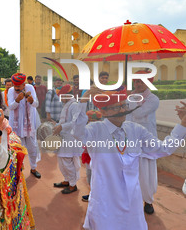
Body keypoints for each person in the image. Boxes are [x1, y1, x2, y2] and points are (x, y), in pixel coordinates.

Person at [72, 86, 186, 230]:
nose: (122, 110)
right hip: (106, 200)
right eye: (116, 107)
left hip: (132, 202)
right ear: (103, 111)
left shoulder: (135, 130)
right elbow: (77, 133)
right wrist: (82, 102)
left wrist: (183, 124)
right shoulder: (95, 130)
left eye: (124, 105)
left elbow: (164, 149)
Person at [126, 70, 160, 214]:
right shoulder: (130, 97)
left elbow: (138, 113)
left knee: (146, 172)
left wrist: (130, 99)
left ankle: (148, 201)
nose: (138, 84)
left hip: (146, 142)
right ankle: (131, 199)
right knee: (129, 170)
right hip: (131, 140)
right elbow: (125, 115)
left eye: (141, 81)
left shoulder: (153, 99)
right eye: (136, 81)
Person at [8, 73, 41, 178]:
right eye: (15, 86)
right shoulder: (10, 91)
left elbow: (36, 104)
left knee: (33, 148)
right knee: (18, 149)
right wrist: (18, 99)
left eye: (19, 86)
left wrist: (31, 100)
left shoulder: (30, 88)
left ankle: (33, 168)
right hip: (17, 126)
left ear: (24, 84)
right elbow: (11, 106)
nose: (16, 88)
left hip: (29, 125)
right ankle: (18, 170)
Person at [53, 84, 83, 194]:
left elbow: (75, 122)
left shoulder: (74, 105)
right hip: (63, 136)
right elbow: (63, 121)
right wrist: (56, 125)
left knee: (67, 161)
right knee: (62, 161)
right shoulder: (67, 104)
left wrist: (61, 127)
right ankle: (67, 180)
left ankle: (72, 184)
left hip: (70, 138)